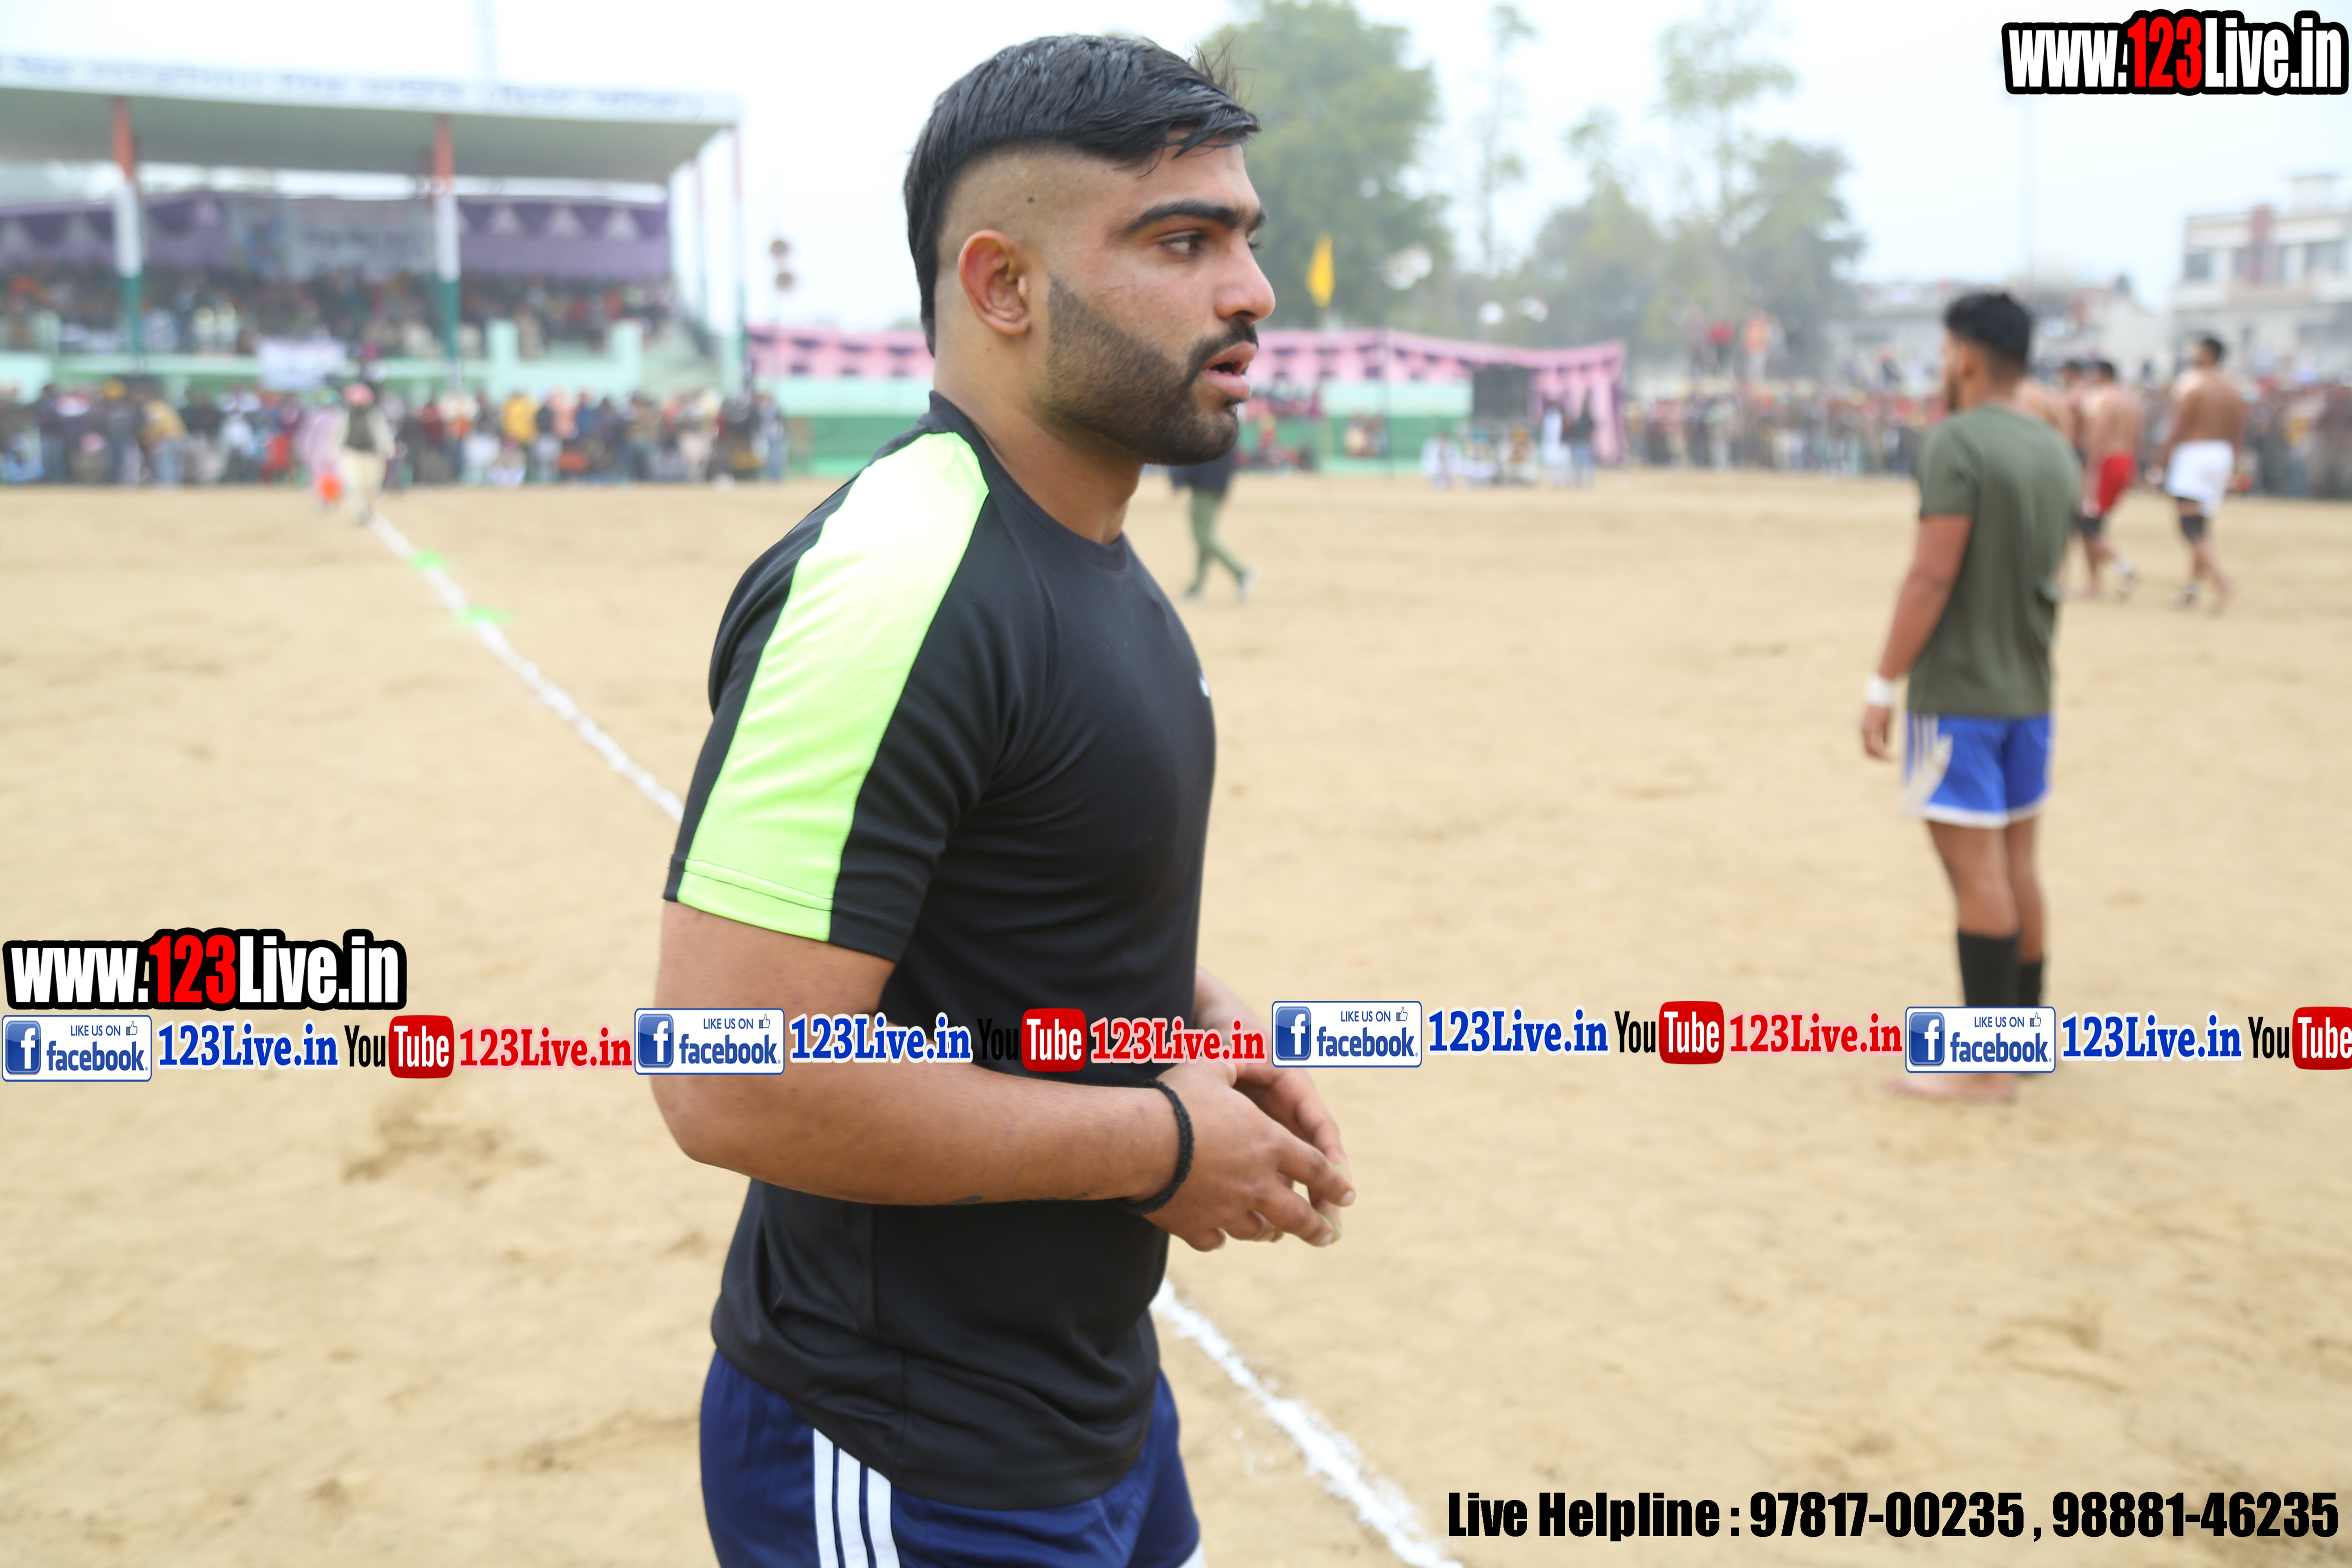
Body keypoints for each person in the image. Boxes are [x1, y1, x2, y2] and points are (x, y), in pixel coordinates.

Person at [649, 36, 1353, 1568]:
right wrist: (1157, 1145)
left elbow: (994, 919)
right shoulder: (900, 583)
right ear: (1004, 286)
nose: (1252, 290)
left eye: (1243, 234)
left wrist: (1185, 1017)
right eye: (1182, 241)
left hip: (1094, 1404)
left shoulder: (1094, 559)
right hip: (905, 1448)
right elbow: (729, 1074)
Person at [1860, 292, 2075, 1103]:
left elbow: (1932, 574)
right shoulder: (2054, 448)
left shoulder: (1957, 442)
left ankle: (1985, 1067)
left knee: (1976, 878)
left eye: (1947, 350)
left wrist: (1882, 683)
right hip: (2030, 693)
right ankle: (2026, 1042)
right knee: (2018, 869)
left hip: (1958, 695)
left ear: (1968, 357)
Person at [2154, 335, 2244, 612]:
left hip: (2194, 454)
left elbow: (2180, 426)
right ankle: (2192, 591)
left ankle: (2221, 581)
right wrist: (2234, 466)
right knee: (2202, 525)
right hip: (2222, 454)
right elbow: (2237, 431)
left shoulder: (2192, 384)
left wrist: (2161, 462)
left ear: (2207, 354)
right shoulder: (2232, 388)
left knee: (2189, 526)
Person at [2070, 360, 2141, 598]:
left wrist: (2089, 470)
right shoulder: (2129, 400)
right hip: (2125, 459)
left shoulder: (2101, 399)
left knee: (2087, 525)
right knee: (2094, 523)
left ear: (2102, 374)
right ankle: (2094, 584)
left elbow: (2097, 436)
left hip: (2105, 462)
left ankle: (2126, 569)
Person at [1169, 444, 1255, 603]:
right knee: (1205, 538)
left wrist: (1179, 481)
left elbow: (1194, 457)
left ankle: (1241, 573)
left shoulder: (1207, 431)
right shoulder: (1228, 432)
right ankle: (1197, 589)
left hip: (1204, 488)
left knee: (1203, 536)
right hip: (1217, 487)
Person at [334, 381, 394, 524]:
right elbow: (339, 434)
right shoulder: (346, 415)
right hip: (353, 454)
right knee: (355, 484)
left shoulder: (374, 415)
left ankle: (367, 508)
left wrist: (388, 448)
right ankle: (360, 512)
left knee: (371, 485)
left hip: (371, 455)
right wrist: (336, 451)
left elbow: (383, 433)